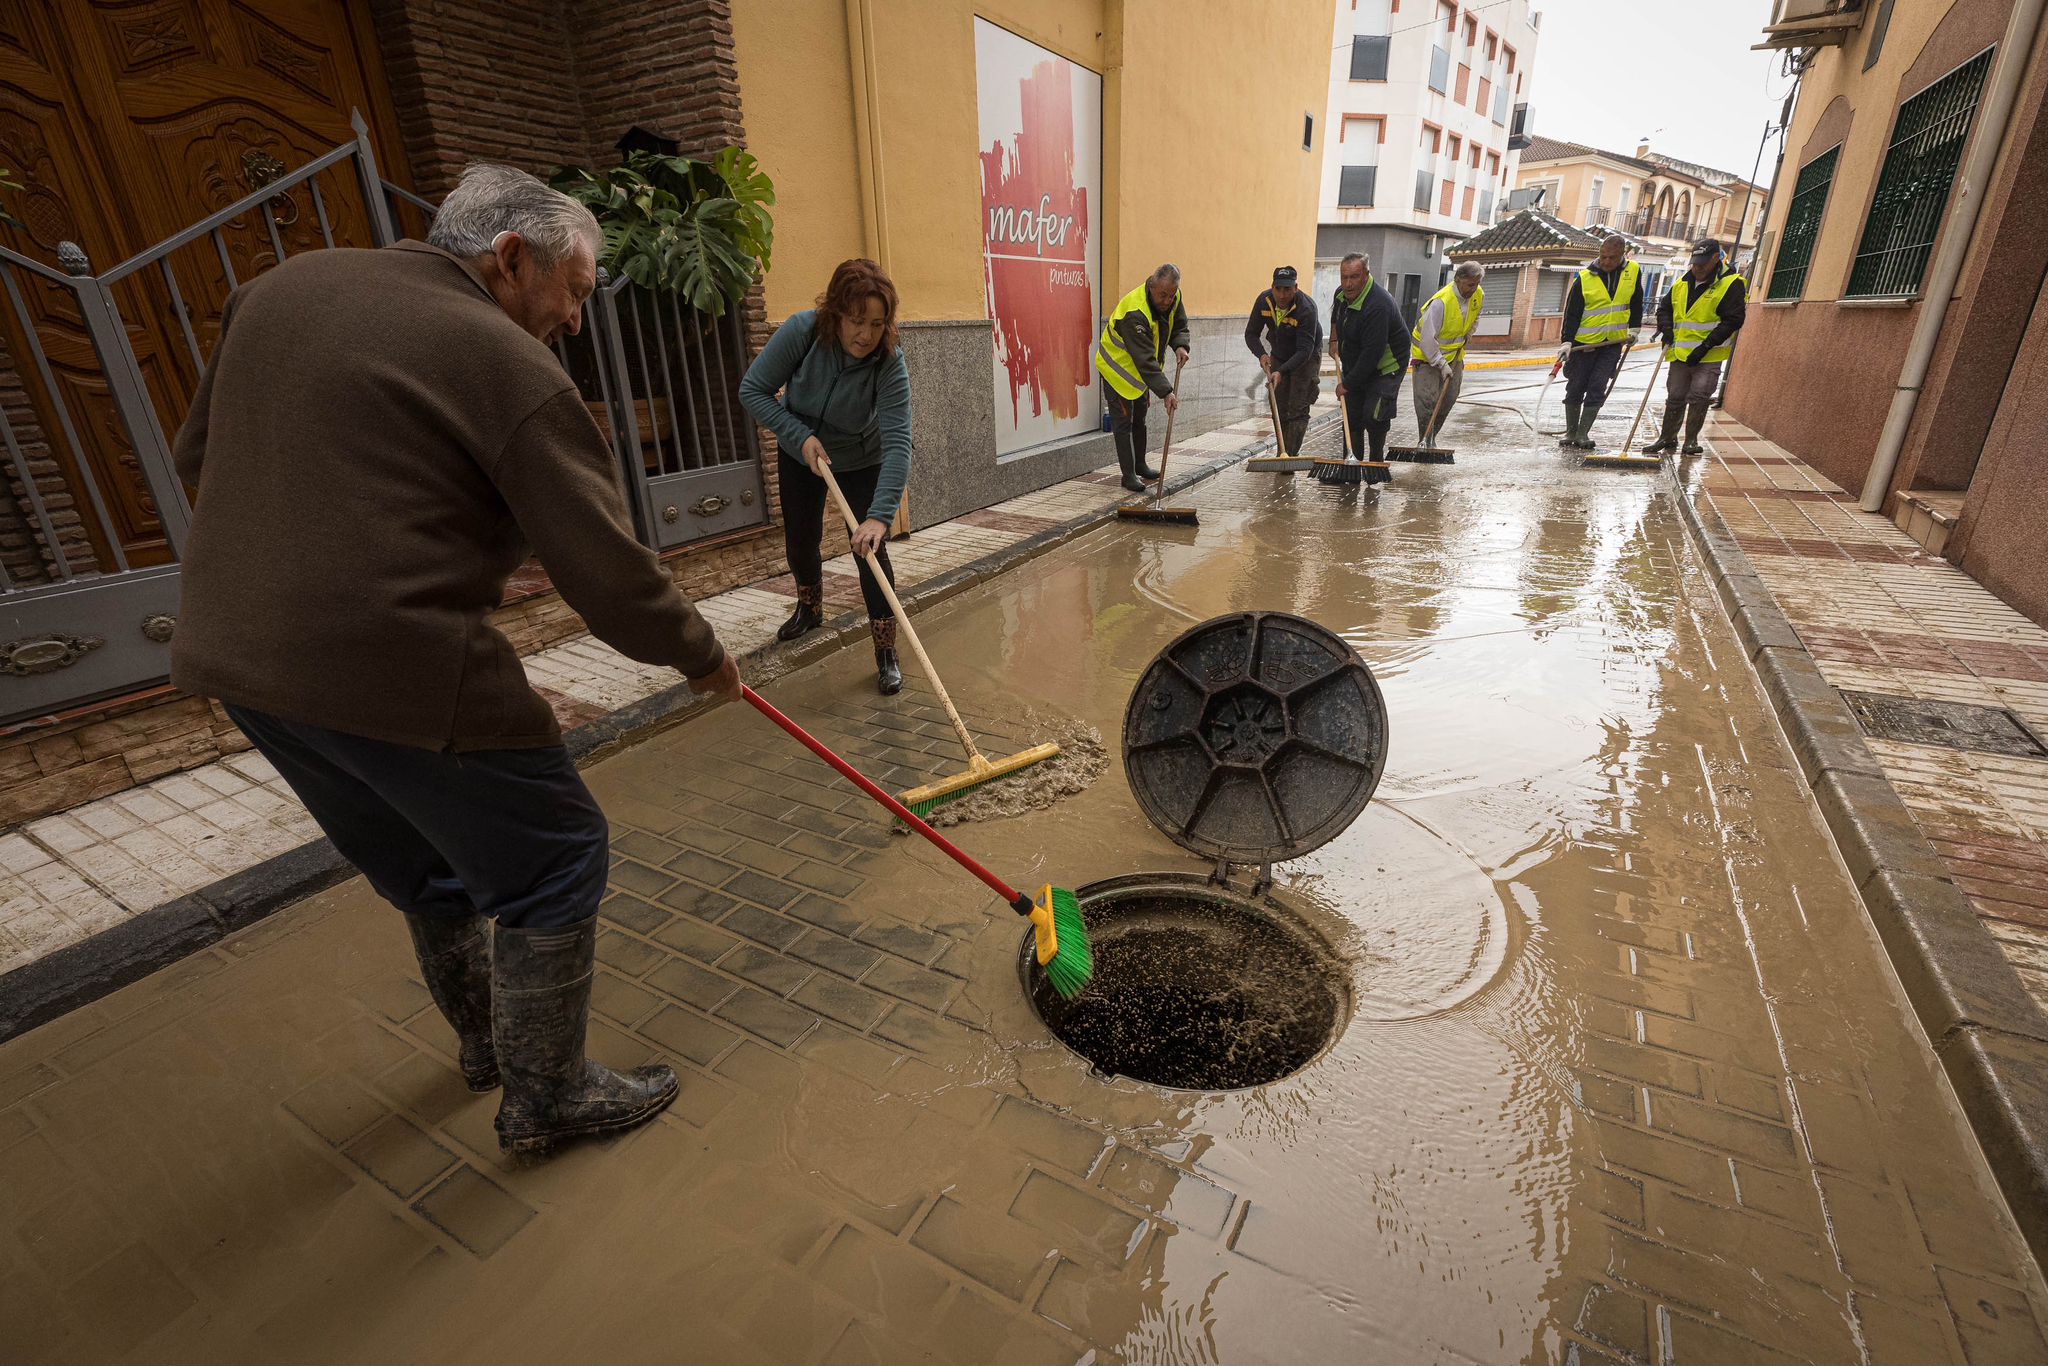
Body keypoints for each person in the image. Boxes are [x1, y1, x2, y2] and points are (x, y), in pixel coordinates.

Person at [170, 164, 742, 1154]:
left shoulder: (278, 292)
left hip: (236, 657)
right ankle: (548, 1097)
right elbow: (603, 568)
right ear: (510, 257)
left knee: (422, 858)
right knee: (558, 855)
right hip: (392, 655)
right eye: (574, 287)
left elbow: (195, 456)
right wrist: (698, 655)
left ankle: (488, 1045)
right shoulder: (501, 358)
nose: (574, 317)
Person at [739, 259, 913, 695]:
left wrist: (879, 516)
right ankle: (810, 607)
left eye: (876, 323)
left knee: (870, 552)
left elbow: (897, 444)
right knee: (800, 539)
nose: (866, 335)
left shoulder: (888, 362)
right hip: (803, 453)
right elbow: (752, 390)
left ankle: (886, 650)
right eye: (856, 321)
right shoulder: (803, 332)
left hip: (859, 458)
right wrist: (799, 437)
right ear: (835, 313)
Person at [1645, 239, 1746, 456]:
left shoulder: (1731, 284)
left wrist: (1706, 346)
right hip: (1680, 353)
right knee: (1675, 396)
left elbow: (1733, 320)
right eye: (1694, 263)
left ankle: (1690, 441)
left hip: (1708, 355)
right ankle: (1667, 437)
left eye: (1702, 263)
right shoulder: (1682, 283)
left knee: (1699, 396)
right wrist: (1666, 329)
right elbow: (1664, 309)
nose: (1697, 268)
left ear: (1716, 259)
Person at [1095, 263, 1191, 493]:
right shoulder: (1134, 313)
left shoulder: (1172, 298)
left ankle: (1140, 464)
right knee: (1123, 423)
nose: (1167, 301)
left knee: (1140, 419)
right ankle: (1128, 476)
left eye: (1171, 295)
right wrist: (1167, 392)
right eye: (1162, 295)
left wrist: (1180, 345)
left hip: (1139, 374)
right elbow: (1145, 359)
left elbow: (1179, 325)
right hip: (1116, 369)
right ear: (1151, 286)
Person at [1557, 234, 1645, 450]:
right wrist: (1567, 342)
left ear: (1622, 255)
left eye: (1611, 258)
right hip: (1583, 343)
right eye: (1603, 257)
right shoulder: (1585, 278)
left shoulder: (1633, 271)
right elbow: (1572, 313)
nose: (1606, 262)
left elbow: (1636, 301)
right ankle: (1571, 432)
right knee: (1576, 385)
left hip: (1612, 342)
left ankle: (1583, 433)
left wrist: (1634, 329)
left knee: (1598, 386)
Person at [1328, 252, 1410, 462]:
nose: (1348, 284)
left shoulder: (1377, 305)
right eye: (1344, 277)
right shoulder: (1342, 294)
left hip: (1387, 365)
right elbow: (1337, 313)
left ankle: (1375, 461)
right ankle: (1352, 464)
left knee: (1374, 414)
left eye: (1354, 277)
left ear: (1366, 275)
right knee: (1352, 415)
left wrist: (1347, 384)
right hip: (1356, 360)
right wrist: (1333, 341)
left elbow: (1372, 353)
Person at [1244, 265, 1322, 455]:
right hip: (1279, 353)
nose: (1282, 295)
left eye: (1287, 289)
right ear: (1272, 287)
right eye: (1278, 289)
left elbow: (1305, 350)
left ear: (1295, 288)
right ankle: (1282, 452)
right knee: (1278, 404)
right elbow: (1251, 334)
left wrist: (1282, 371)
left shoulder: (1306, 309)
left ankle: (1289, 456)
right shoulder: (1264, 301)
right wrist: (1262, 354)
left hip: (1307, 356)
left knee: (1297, 406)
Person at [1410, 262, 1485, 446]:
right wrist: (1441, 364)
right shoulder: (1441, 302)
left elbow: (1476, 316)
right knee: (1427, 403)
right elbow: (1427, 340)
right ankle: (1424, 439)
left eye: (1476, 284)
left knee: (1449, 399)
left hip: (1455, 358)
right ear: (1458, 280)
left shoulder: (1478, 295)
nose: (1473, 289)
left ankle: (1431, 437)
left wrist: (1470, 332)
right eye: (1469, 285)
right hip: (1427, 358)